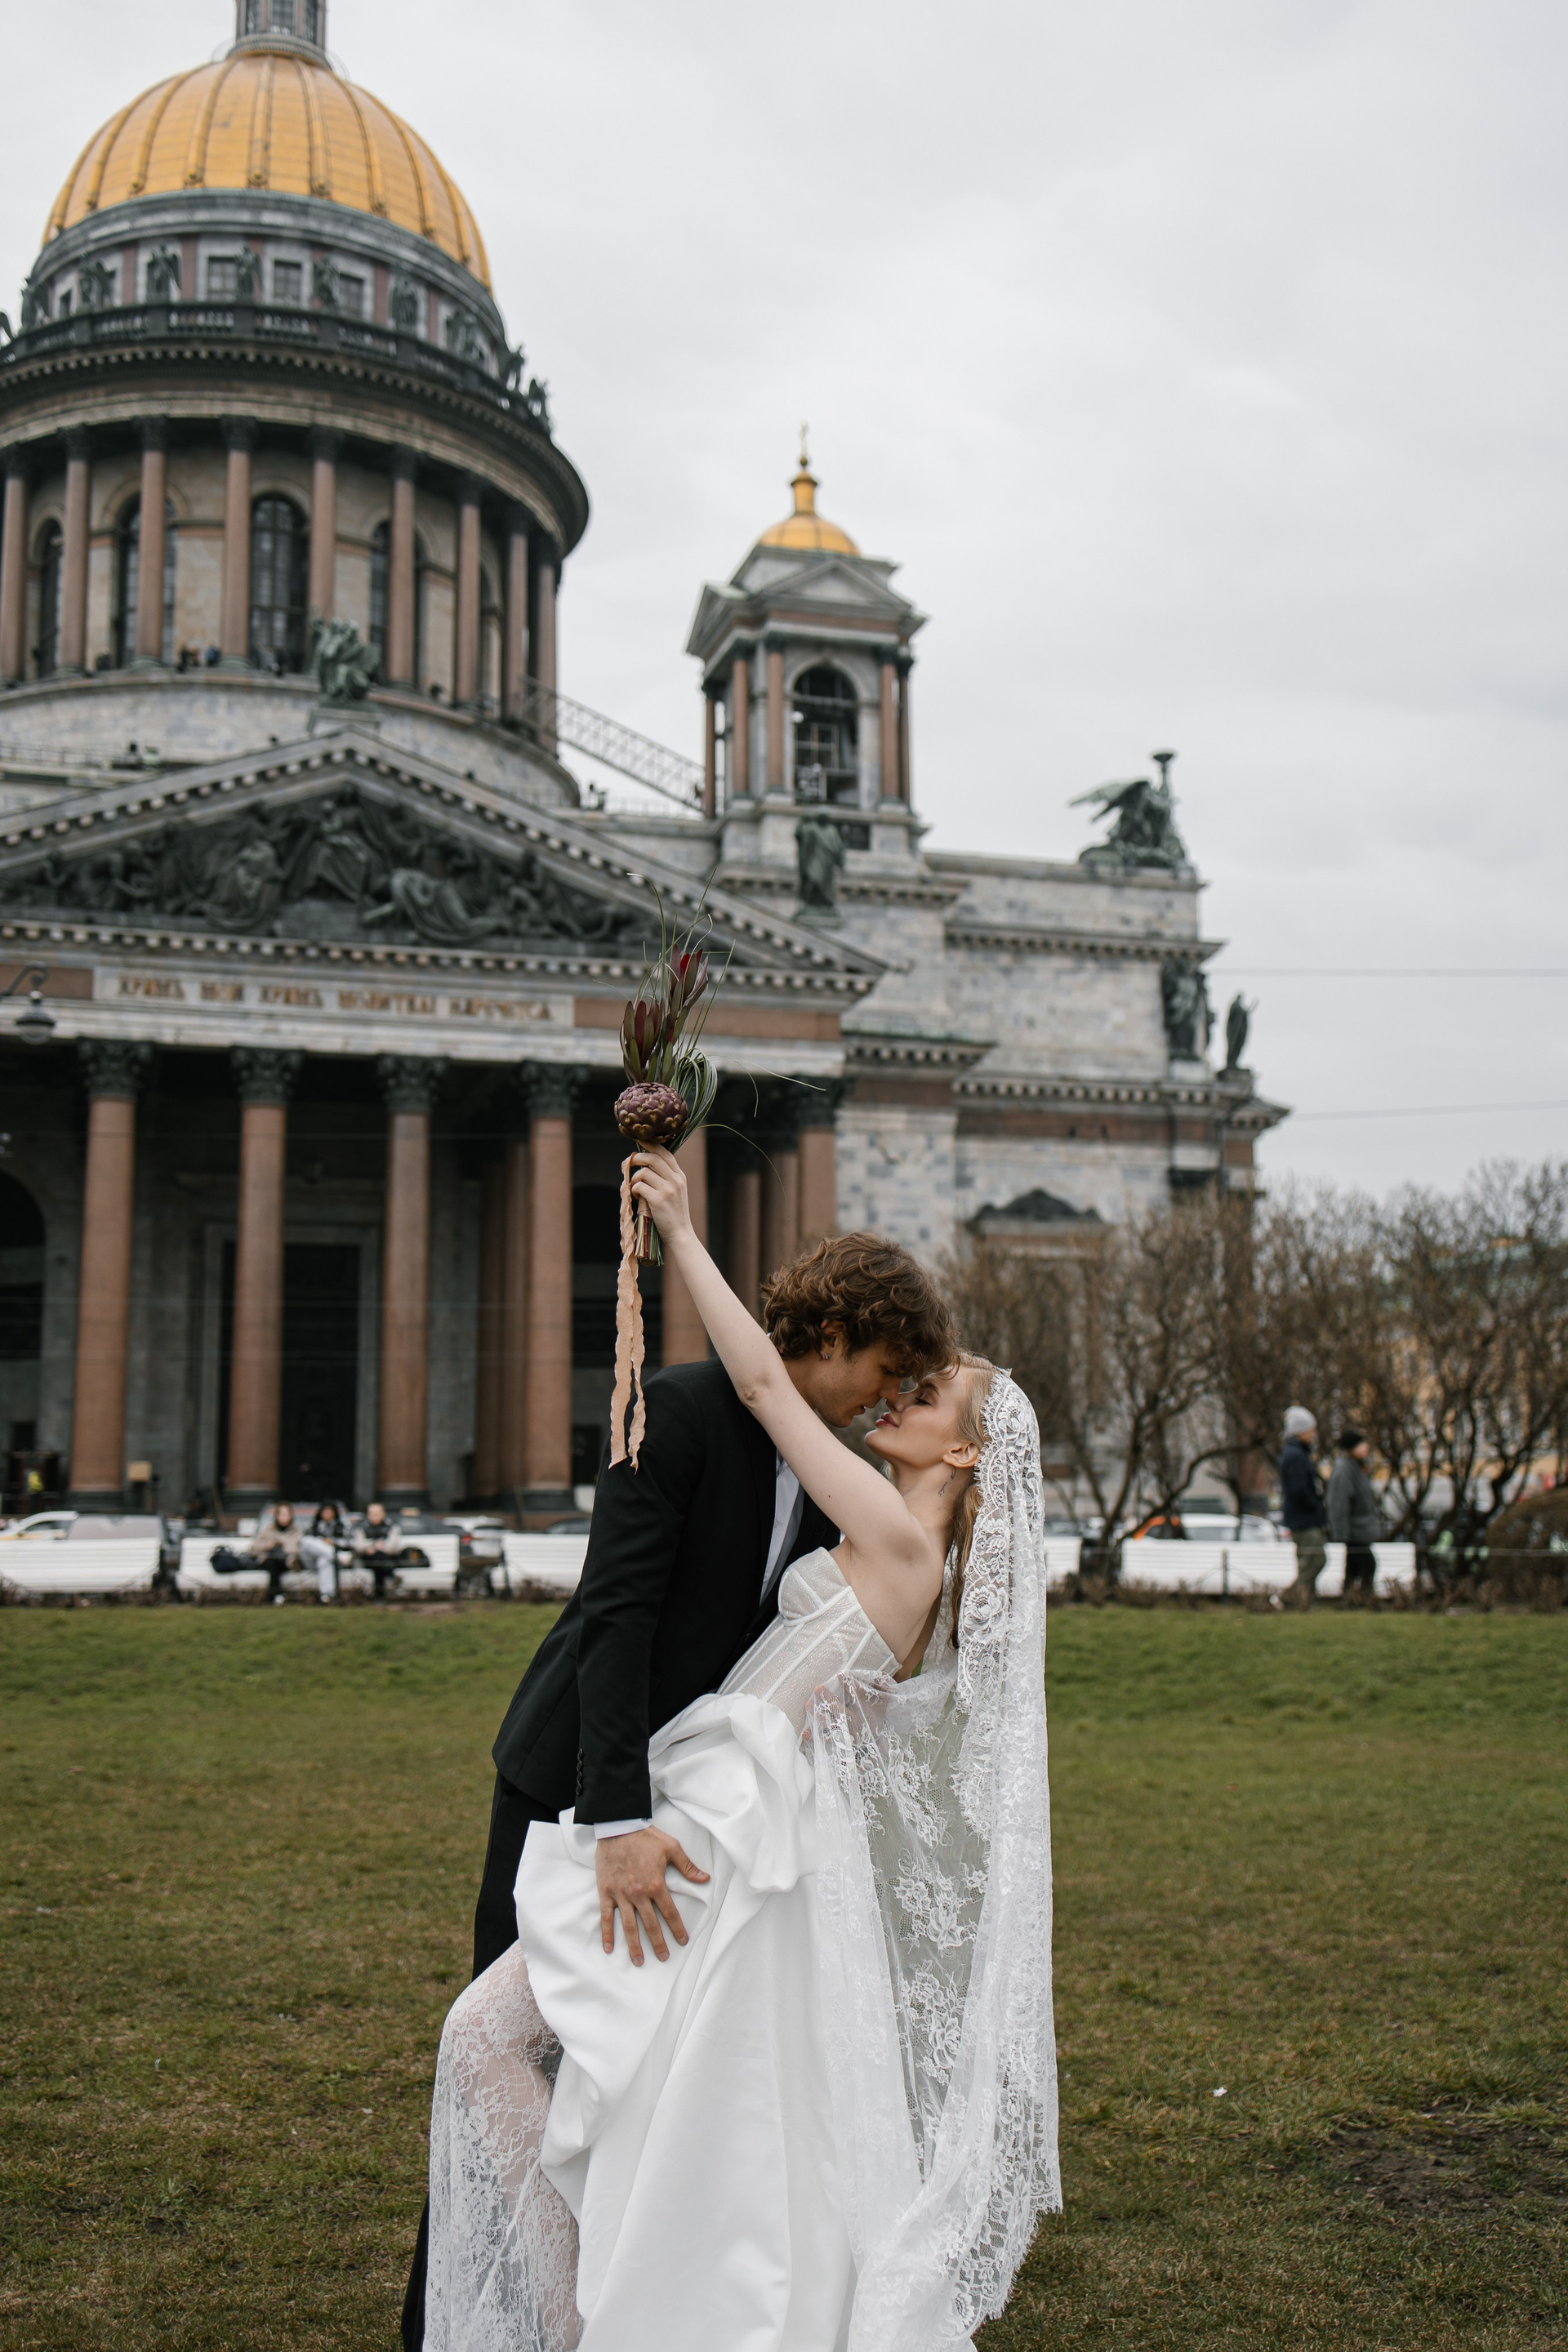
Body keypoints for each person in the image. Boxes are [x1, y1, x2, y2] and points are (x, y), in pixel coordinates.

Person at [420, 1155, 1060, 2351]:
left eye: (927, 1396)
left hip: (714, 1821)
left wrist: (679, 1228)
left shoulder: (893, 1536)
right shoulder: (903, 1550)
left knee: (496, 2042)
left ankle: (566, 2322)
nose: (897, 1400)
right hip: (724, 1805)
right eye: (900, 1376)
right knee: (638, 2098)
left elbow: (763, 1379)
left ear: (966, 1457)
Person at [1327, 1428, 1382, 1602]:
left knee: (1353, 1566)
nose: (1365, 1447)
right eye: (1360, 1444)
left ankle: (1350, 1598)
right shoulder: (1344, 1469)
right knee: (1368, 1564)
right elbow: (1339, 1503)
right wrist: (1342, 1533)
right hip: (1354, 1530)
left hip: (1360, 1529)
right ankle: (1364, 1597)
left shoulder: (1358, 1467)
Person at [1279, 1406, 1326, 1604]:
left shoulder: (1296, 1453)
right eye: (1311, 1429)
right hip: (1304, 1519)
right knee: (1315, 1561)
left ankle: (1305, 1601)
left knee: (1309, 1561)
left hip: (1302, 1517)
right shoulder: (1296, 1455)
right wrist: (1315, 1504)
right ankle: (1287, 1598)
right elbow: (1299, 1490)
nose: (1314, 1434)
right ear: (1301, 1430)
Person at [247, 1501, 300, 1606]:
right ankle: (277, 1594)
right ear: (276, 1516)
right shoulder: (268, 1531)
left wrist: (283, 1546)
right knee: (273, 1557)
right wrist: (269, 1546)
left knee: (274, 1561)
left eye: (286, 1515)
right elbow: (253, 1549)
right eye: (281, 1515)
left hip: (283, 1562)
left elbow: (299, 1549)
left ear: (291, 1516)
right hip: (270, 1561)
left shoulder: (296, 1532)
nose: (284, 1518)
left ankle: (275, 1595)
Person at [300, 1500, 349, 1604]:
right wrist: (321, 1542)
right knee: (306, 1541)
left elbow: (349, 1542)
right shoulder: (312, 1527)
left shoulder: (342, 1527)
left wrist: (332, 1542)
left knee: (324, 1559)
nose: (327, 1514)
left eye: (330, 1511)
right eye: (324, 1511)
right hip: (311, 1561)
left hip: (332, 1563)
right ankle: (339, 1555)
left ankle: (327, 1595)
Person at [353, 1499, 403, 1601]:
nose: (374, 1516)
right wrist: (374, 1545)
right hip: (367, 1559)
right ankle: (391, 1576)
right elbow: (359, 1546)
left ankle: (379, 1596)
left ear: (383, 1514)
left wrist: (376, 1548)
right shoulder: (362, 1528)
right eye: (372, 1513)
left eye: (377, 1513)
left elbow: (392, 1547)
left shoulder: (391, 1527)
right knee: (378, 1560)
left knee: (378, 1562)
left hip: (389, 1558)